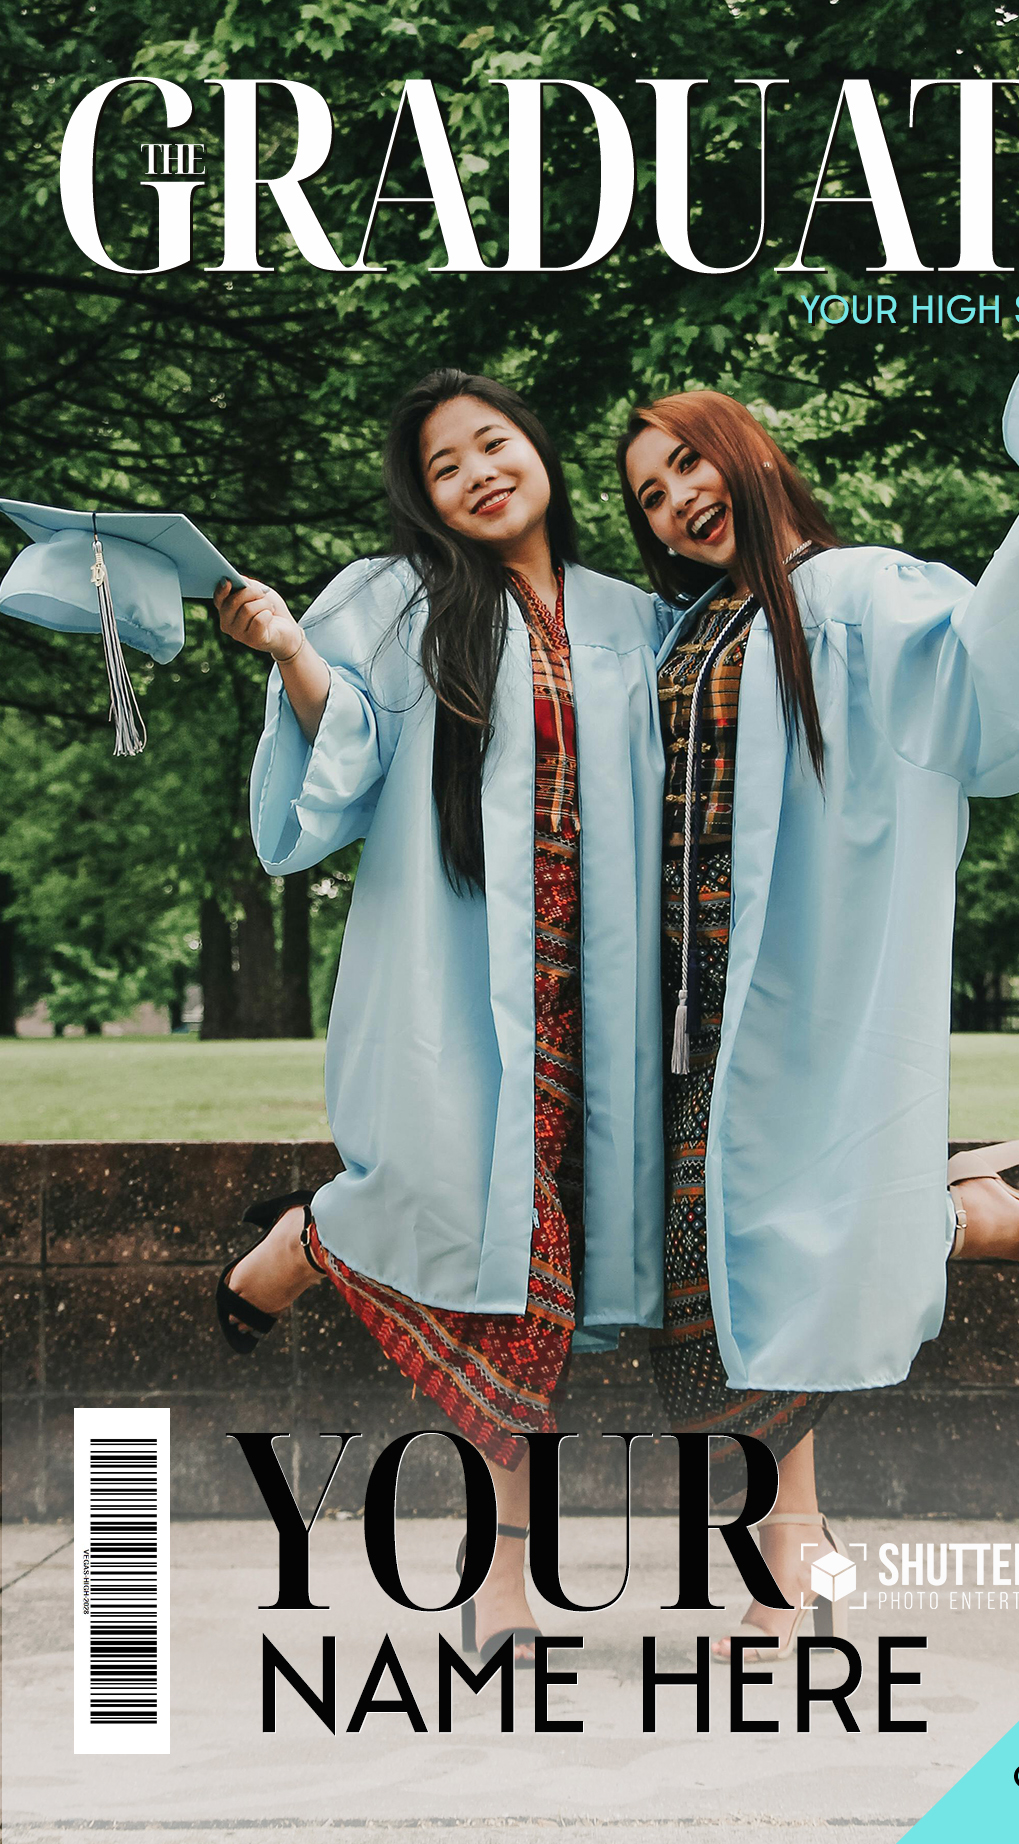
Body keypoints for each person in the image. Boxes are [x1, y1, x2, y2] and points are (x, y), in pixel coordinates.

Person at [618, 383, 1019, 1660]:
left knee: (782, 1245)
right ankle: (970, 1213)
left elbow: (979, 696)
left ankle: (788, 1547)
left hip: (805, 975)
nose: (679, 501)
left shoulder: (860, 592)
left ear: (747, 458)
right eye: (649, 494)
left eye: (690, 465)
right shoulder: (678, 624)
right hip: (681, 1001)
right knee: (714, 1281)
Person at [213, 369, 669, 1667]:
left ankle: (311, 1238)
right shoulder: (398, 603)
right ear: (425, 498)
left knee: (544, 1298)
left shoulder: (639, 617)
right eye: (443, 463)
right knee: (496, 1296)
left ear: (538, 445)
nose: (476, 470)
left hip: (610, 1011)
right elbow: (345, 752)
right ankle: (507, 1581)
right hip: (466, 998)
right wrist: (294, 649)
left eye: (492, 440)